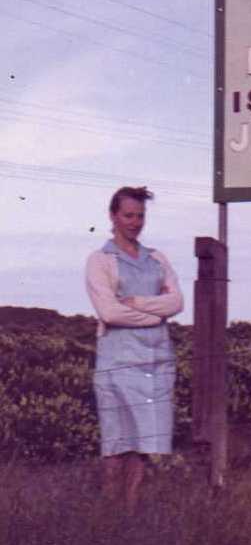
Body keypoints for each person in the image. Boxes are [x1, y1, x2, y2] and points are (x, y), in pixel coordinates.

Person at [85, 186, 183, 514]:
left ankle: (131, 515)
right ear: (113, 216)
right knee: (116, 444)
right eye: (128, 215)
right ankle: (110, 518)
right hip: (117, 360)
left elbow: (177, 302)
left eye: (140, 216)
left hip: (155, 360)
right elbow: (110, 312)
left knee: (143, 445)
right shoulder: (100, 261)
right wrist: (156, 315)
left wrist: (139, 303)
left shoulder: (157, 259)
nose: (135, 222)